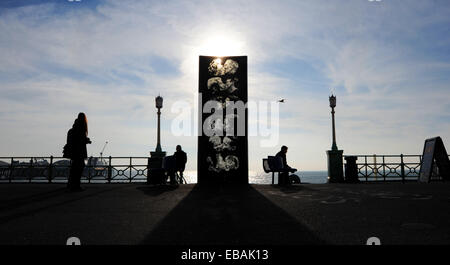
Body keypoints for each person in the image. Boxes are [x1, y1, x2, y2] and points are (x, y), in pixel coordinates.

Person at [67, 113, 91, 192]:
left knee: (74, 168)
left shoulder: (74, 128)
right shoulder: (82, 128)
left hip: (74, 152)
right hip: (80, 152)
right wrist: (87, 141)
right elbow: (81, 140)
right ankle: (76, 185)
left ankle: (70, 184)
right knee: (79, 168)